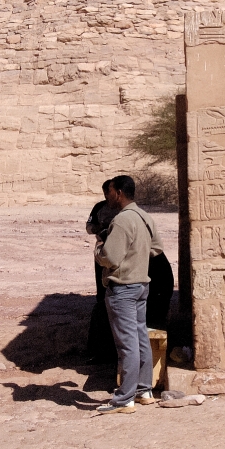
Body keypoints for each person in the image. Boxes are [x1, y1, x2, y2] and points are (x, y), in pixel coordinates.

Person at [93, 174, 164, 414]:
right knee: (140, 336)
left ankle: (124, 399)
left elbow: (110, 257)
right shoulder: (144, 216)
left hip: (122, 287)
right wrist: (137, 259)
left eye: (110, 191)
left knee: (127, 344)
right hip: (141, 285)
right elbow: (157, 248)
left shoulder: (122, 221)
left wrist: (98, 250)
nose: (108, 196)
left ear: (119, 193)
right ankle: (144, 390)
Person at [85, 180, 119, 363]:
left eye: (110, 193)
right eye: (106, 193)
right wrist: (98, 229)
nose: (108, 197)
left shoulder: (125, 210)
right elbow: (89, 227)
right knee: (102, 296)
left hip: (120, 255)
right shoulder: (99, 207)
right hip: (103, 254)